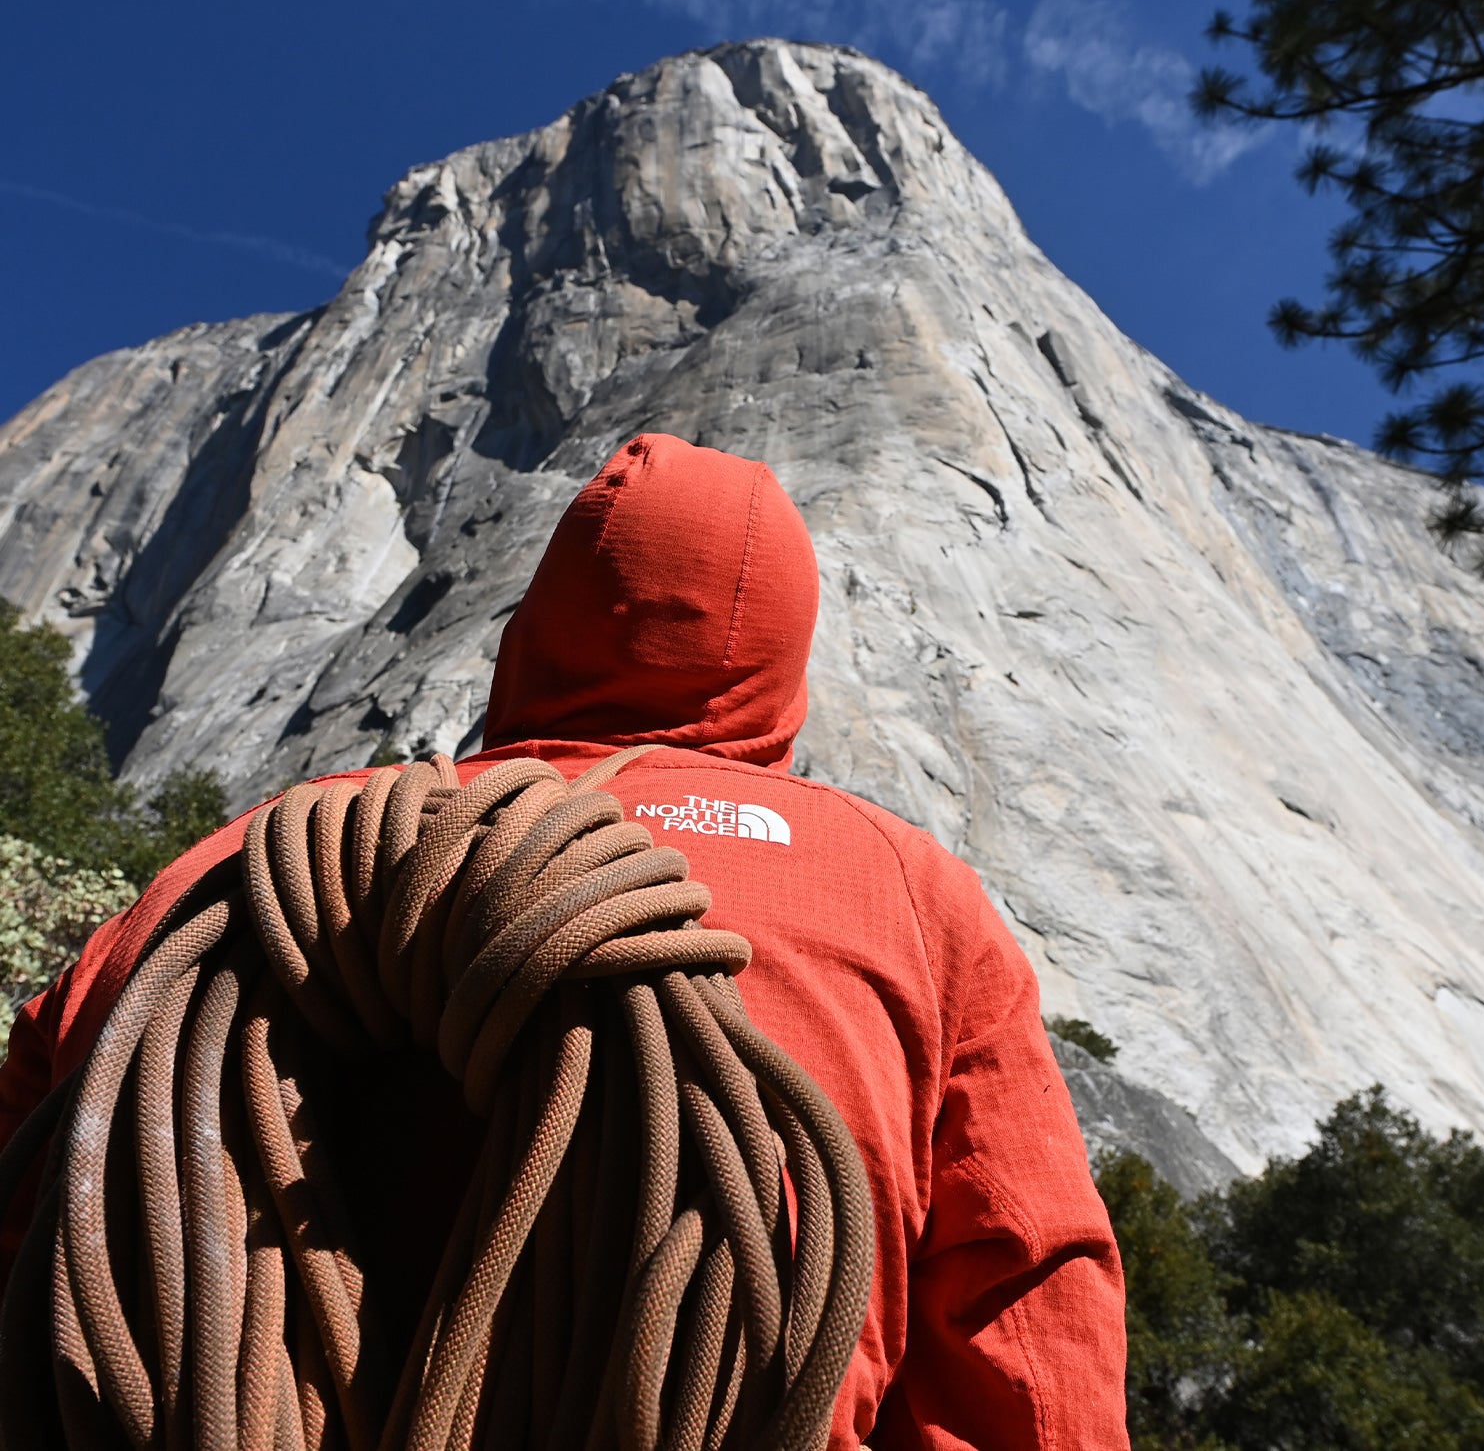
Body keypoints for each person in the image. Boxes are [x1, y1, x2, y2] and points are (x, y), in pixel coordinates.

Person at [0, 432, 1128, 1449]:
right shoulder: (907, 891)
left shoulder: (225, 867)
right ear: (783, 676)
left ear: (530, 632)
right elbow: (1026, 1322)